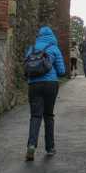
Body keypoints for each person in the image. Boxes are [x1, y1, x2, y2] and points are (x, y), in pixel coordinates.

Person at [24, 26, 66, 161]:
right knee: (48, 115)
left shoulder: (32, 48)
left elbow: (27, 67)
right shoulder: (54, 48)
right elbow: (61, 71)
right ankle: (50, 147)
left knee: (35, 116)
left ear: (39, 36)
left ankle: (31, 145)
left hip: (34, 85)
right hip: (50, 85)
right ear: (52, 36)